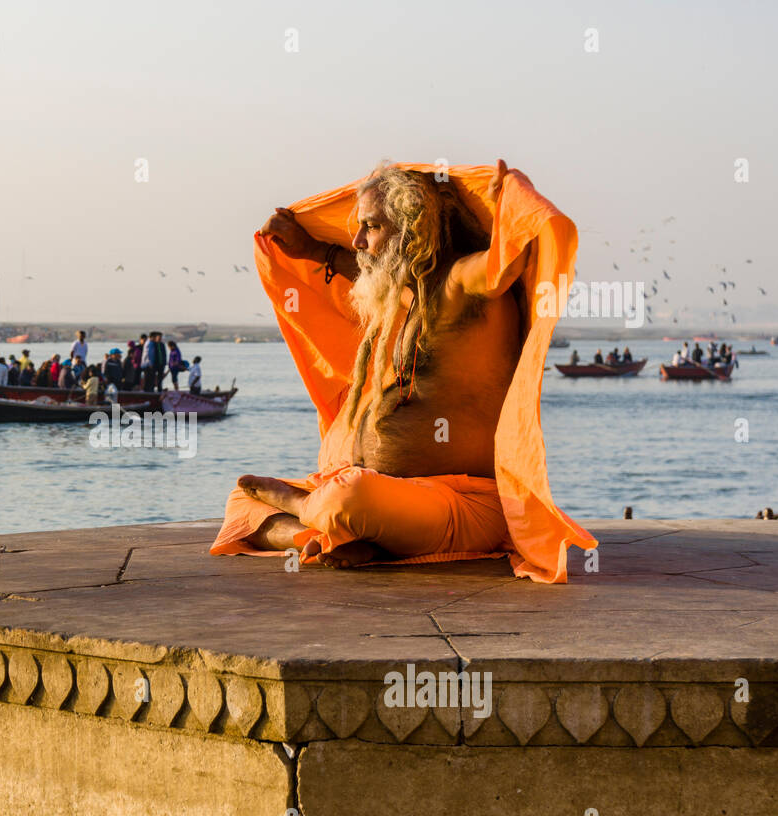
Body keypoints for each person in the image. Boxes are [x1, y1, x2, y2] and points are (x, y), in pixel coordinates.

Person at [212, 159, 593, 582]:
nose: (356, 239)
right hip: (383, 499)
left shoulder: (460, 283)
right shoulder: (405, 288)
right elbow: (362, 267)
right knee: (242, 501)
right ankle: (327, 538)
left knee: (350, 498)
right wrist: (311, 249)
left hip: (461, 503)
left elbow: (506, 263)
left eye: (370, 227)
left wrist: (511, 199)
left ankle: (310, 513)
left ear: (413, 229)